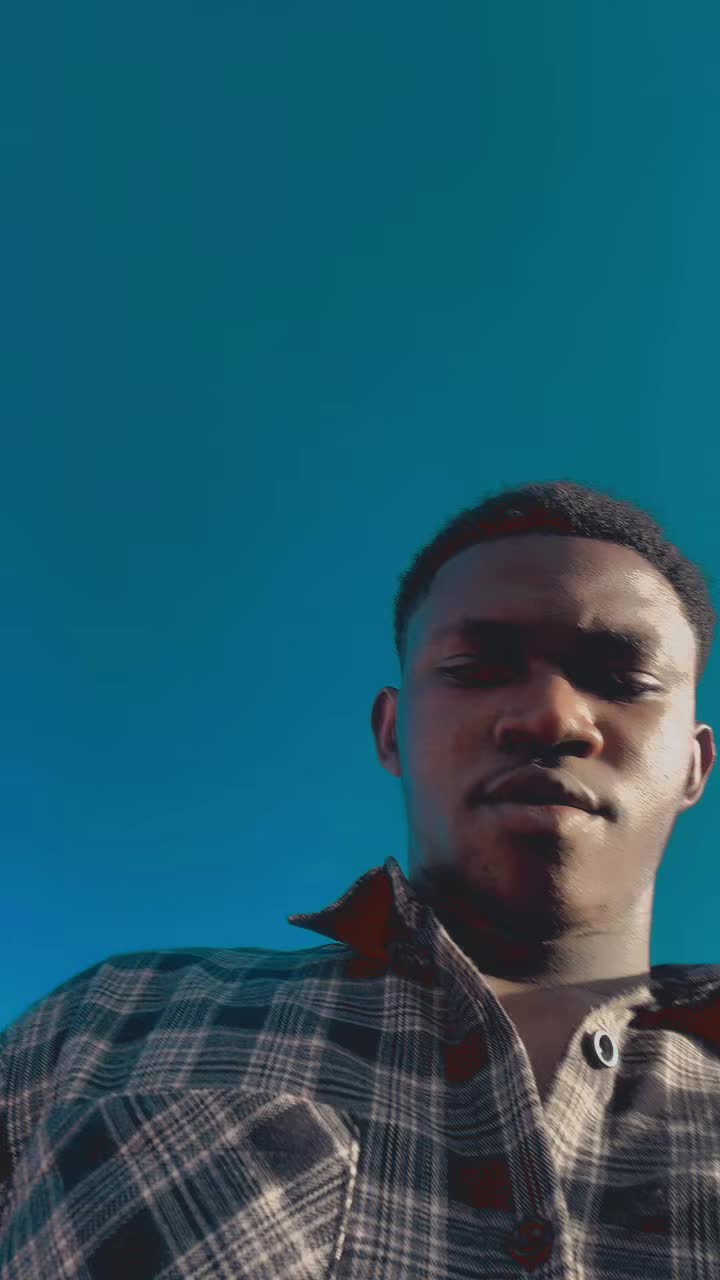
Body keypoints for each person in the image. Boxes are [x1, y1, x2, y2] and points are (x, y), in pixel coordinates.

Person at [0, 479, 718, 1279]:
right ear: (391, 733)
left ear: (696, 764)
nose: (551, 716)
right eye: (475, 668)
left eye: (622, 682)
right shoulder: (104, 1023)